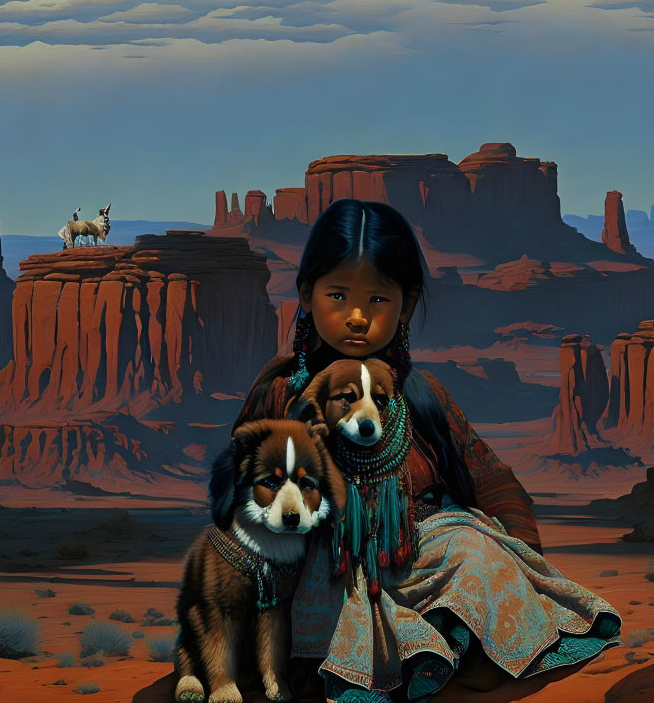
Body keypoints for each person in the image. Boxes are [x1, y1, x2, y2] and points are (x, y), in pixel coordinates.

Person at [230, 198, 620, 702]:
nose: (356, 317)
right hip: (325, 562)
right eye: (338, 295)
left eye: (377, 300)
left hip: (422, 555)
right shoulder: (282, 394)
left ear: (406, 304)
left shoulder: (423, 394)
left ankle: (461, 646)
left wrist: (519, 563)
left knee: (474, 549)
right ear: (306, 295)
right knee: (340, 586)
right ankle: (382, 666)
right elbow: (245, 492)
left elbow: (494, 481)